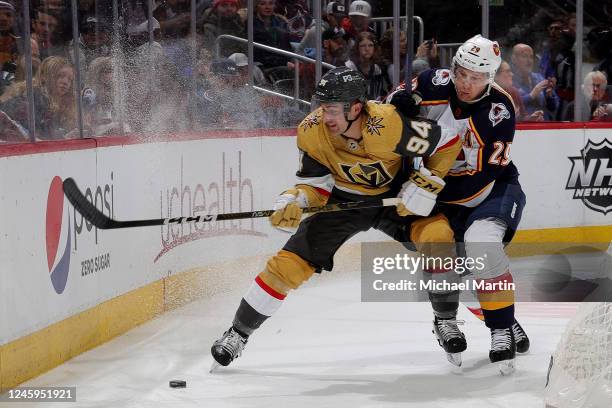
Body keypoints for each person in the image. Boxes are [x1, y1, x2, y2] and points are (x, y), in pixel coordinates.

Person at [210, 66, 463, 369]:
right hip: (344, 201)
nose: (324, 116)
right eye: (322, 106)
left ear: (356, 108)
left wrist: (427, 181)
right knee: (286, 266)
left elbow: (447, 141)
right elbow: (315, 187)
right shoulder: (312, 131)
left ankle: (446, 320)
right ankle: (238, 333)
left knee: (438, 238)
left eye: (331, 109)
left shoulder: (388, 126)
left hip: (395, 198)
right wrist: (294, 199)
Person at [389, 35, 530, 374]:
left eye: (476, 77)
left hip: (489, 191)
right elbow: (385, 111)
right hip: (437, 191)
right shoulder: (432, 81)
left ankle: (501, 329)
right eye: (461, 73)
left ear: (490, 78)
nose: (466, 83)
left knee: (482, 247)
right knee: (443, 257)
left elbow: (478, 177)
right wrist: (400, 105)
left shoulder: (499, 110)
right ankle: (449, 320)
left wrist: (427, 190)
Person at [511, 43, 559, 121]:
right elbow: (508, 106)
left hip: (543, 128)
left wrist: (549, 97)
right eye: (524, 56)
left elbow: (554, 107)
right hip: (521, 129)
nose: (529, 61)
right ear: (514, 59)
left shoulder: (539, 78)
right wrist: (531, 96)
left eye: (531, 57)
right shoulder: (509, 80)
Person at [345, 31, 389, 100]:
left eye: (370, 45)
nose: (367, 49)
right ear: (357, 48)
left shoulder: (376, 69)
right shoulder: (349, 67)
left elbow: (380, 94)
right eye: (363, 46)